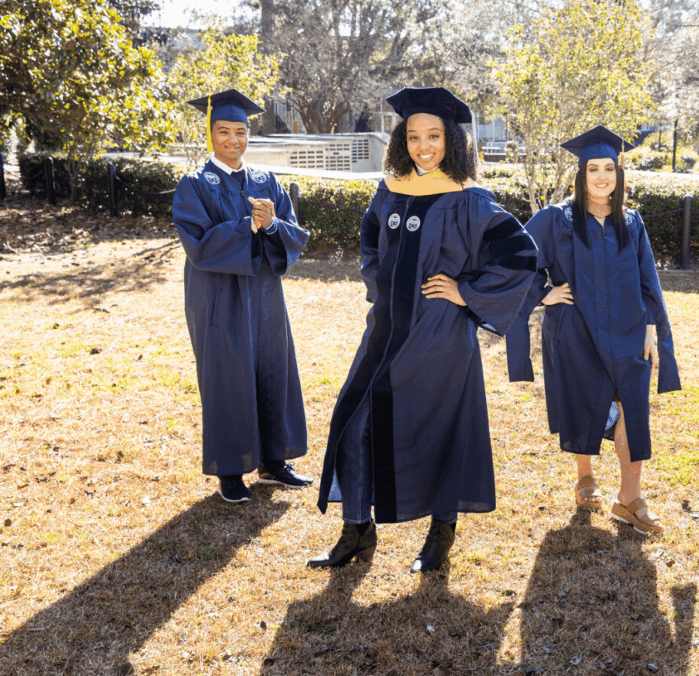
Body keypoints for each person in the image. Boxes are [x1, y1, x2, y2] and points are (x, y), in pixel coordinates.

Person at [308, 87, 538, 572]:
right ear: (402, 140)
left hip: (439, 337)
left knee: (441, 429)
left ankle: (440, 534)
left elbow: (522, 256)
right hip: (385, 331)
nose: (423, 145)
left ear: (451, 140)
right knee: (353, 421)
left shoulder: (468, 199)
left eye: (433, 135)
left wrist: (465, 293)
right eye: (413, 136)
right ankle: (357, 530)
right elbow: (371, 243)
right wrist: (383, 286)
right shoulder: (391, 189)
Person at [506, 126, 680, 536]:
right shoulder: (555, 220)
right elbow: (514, 260)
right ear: (580, 175)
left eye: (610, 169)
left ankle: (629, 499)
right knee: (583, 398)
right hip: (575, 328)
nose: (602, 177)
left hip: (628, 328)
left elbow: (647, 280)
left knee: (631, 402)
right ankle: (585, 475)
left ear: (619, 175)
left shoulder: (631, 222)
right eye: (593, 169)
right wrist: (542, 293)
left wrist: (652, 328)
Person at [172, 89, 312, 504]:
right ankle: (231, 469)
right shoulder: (195, 184)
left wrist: (271, 227)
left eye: (240, 131)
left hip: (265, 294)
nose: (233, 140)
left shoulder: (265, 181)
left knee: (273, 368)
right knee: (227, 376)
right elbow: (197, 244)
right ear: (210, 133)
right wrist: (246, 229)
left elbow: (293, 233)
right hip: (218, 296)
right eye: (224, 131)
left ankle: (274, 461)